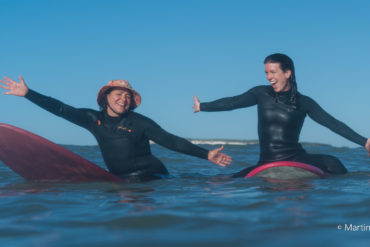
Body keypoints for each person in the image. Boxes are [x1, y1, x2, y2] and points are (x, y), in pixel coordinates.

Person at [0, 76, 232, 181]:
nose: (124, 100)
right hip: (119, 178)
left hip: (151, 177)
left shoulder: (140, 122)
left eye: (127, 96)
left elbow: (170, 141)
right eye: (119, 95)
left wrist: (206, 154)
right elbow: (61, 109)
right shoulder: (92, 118)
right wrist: (29, 94)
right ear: (106, 97)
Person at [193, 53, 370, 177]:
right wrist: (203, 106)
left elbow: (332, 123)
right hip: (267, 159)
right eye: (266, 73)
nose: (268, 77)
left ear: (287, 73)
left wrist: (365, 142)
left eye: (273, 72)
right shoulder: (260, 93)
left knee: (335, 163)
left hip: (295, 157)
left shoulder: (304, 102)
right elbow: (232, 102)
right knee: (229, 179)